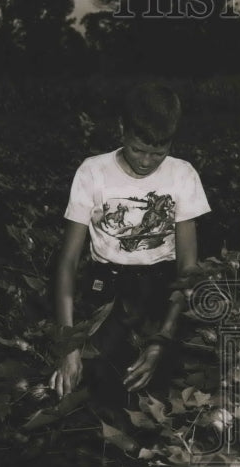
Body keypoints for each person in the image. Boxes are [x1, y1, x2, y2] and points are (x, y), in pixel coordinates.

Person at [50, 81, 211, 403]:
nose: (147, 161)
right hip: (103, 292)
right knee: (97, 394)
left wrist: (161, 340)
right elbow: (67, 263)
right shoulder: (92, 172)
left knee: (158, 398)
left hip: (160, 295)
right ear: (122, 129)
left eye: (158, 153)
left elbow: (187, 267)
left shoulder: (183, 175)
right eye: (138, 149)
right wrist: (68, 346)